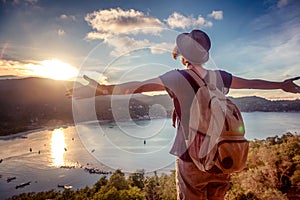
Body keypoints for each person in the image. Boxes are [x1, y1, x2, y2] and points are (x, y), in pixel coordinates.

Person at [66, 29, 300, 200]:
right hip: (222, 157)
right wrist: (281, 85)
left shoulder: (177, 78)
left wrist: (103, 89)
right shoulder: (221, 77)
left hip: (192, 158)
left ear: (184, 56)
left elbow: (136, 86)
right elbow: (251, 83)